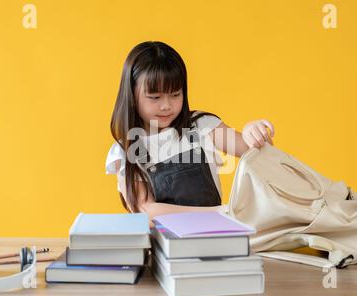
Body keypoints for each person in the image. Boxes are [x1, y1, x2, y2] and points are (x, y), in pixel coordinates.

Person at [106, 41, 275, 224]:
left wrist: (252, 132)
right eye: (155, 97)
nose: (166, 106)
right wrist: (218, 212)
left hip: (216, 235)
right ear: (131, 95)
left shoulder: (202, 126)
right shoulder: (128, 149)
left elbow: (259, 153)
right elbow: (146, 210)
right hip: (165, 247)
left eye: (175, 94)